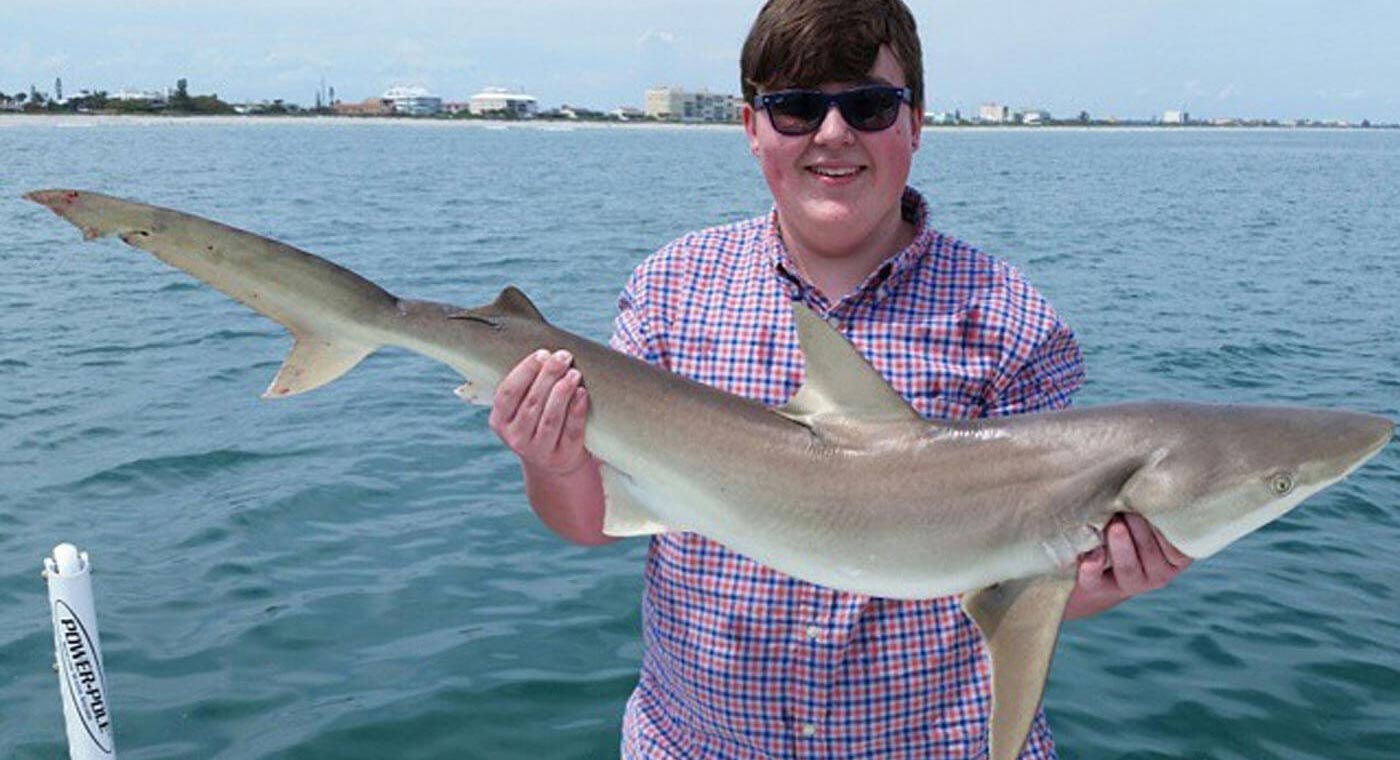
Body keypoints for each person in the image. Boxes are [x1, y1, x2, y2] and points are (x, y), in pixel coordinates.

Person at [480, 0, 1192, 756]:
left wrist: (1095, 583)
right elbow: (590, 521)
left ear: (916, 123)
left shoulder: (1009, 319)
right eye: (793, 108)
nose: (832, 133)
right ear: (751, 128)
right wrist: (548, 460)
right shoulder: (672, 289)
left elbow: (1026, 576)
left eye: (869, 105)